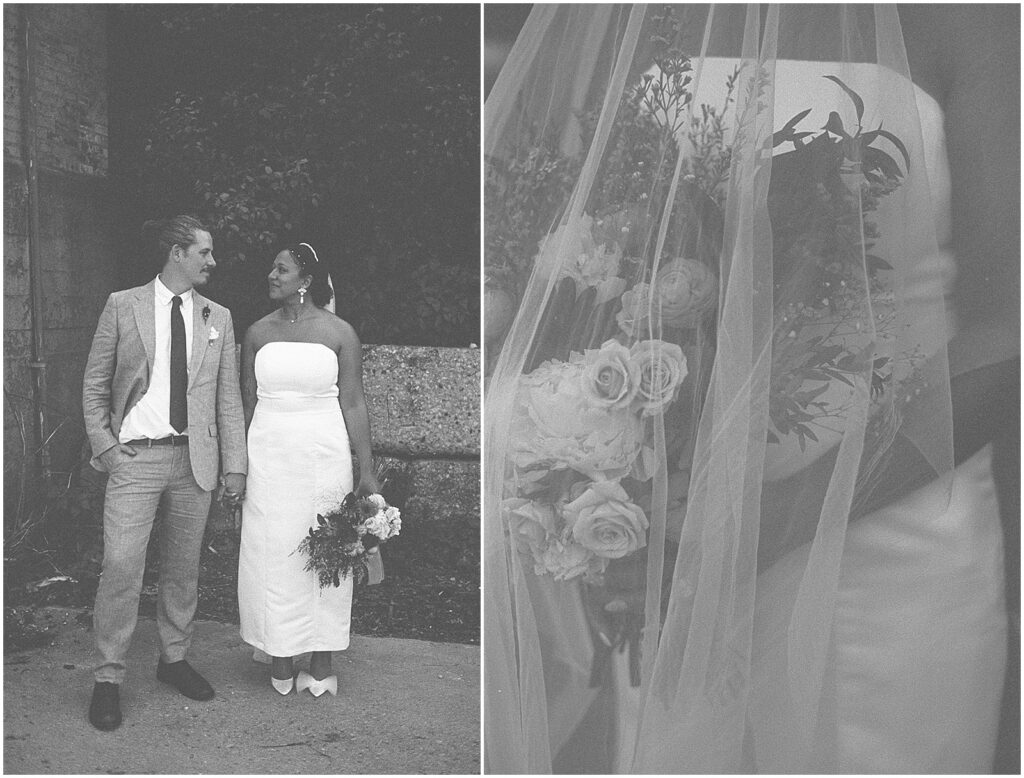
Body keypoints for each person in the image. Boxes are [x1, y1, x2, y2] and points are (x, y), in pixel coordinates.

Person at [483, 4, 1018, 773]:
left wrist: (780, 520)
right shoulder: (650, 17)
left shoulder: (976, 21)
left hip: (899, 532)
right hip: (685, 529)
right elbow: (589, 256)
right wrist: (604, 486)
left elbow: (1007, 335)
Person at [82, 215, 247, 731]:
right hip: (135, 460)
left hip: (193, 462)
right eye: (204, 252)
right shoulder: (122, 305)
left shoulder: (217, 316)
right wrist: (107, 449)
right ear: (177, 253)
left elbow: (228, 401)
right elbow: (93, 386)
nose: (212, 262)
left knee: (183, 569)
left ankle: (173, 659)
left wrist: (234, 467)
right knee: (122, 566)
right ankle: (108, 678)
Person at [237, 242, 379, 697]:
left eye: (282, 269)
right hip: (268, 452)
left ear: (307, 280)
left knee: (325, 547)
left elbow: (353, 402)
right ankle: (279, 651)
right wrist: (236, 465)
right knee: (273, 548)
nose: (272, 275)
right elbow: (245, 402)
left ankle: (321, 655)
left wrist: (367, 470)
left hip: (323, 452)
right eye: (273, 268)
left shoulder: (340, 332)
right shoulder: (257, 332)